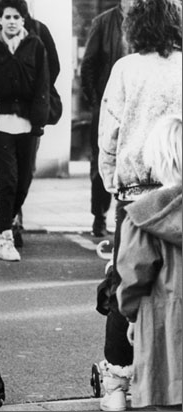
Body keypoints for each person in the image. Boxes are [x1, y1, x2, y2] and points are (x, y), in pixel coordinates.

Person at [96, 0, 182, 412]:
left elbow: (109, 134)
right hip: (180, 189)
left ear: (134, 26)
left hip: (137, 196)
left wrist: (111, 181)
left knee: (126, 281)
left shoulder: (126, 69)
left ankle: (116, 382)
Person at [0, 0, 61, 248]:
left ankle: (10, 220)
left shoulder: (37, 41)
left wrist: (39, 117)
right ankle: (5, 232)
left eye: (17, 15)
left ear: (24, 17)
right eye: (7, 15)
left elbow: (47, 77)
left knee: (24, 180)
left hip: (28, 121)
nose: (12, 20)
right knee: (7, 180)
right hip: (0, 121)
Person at [116, 115, 182, 409]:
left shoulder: (144, 216)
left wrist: (130, 315)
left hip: (162, 324)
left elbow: (133, 275)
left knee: (165, 397)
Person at [81, 0, 146, 238]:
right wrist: (97, 103)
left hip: (141, 110)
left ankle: (137, 219)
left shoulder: (150, 24)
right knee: (102, 162)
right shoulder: (103, 22)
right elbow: (89, 66)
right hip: (109, 108)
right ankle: (99, 217)